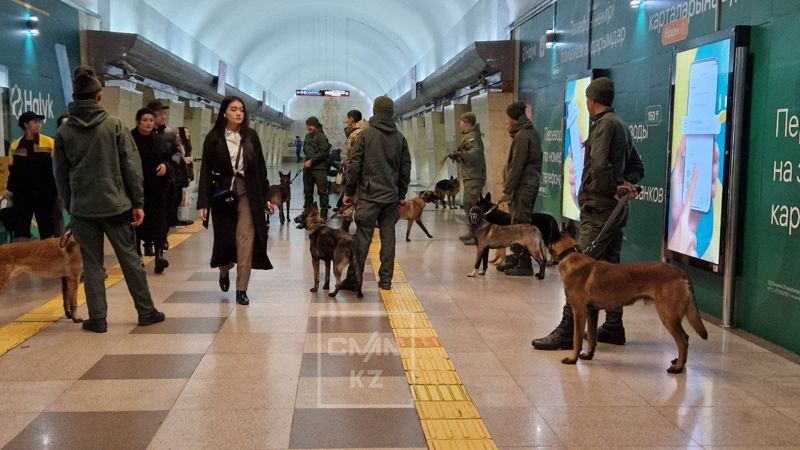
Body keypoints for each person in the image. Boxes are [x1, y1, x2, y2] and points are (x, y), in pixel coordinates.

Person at [533, 77, 644, 350]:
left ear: (591, 100)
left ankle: (566, 330)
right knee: (612, 269)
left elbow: (599, 164)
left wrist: (611, 189)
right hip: (615, 212)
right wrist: (623, 184)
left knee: (578, 270)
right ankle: (614, 326)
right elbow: (637, 166)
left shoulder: (604, 125)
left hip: (599, 210)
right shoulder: (620, 125)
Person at [54, 67, 164, 333]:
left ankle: (98, 318)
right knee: (129, 259)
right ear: (99, 96)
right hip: (116, 205)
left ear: (75, 97)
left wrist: (71, 205)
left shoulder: (65, 132)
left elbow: (60, 174)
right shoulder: (113, 125)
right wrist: (137, 202)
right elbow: (131, 166)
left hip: (83, 208)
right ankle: (146, 311)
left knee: (91, 263)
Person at [197, 96, 273, 306]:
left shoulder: (251, 137)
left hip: (248, 192)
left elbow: (260, 169)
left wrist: (266, 198)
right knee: (225, 240)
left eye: (241, 109)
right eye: (233, 109)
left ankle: (242, 289)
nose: (239, 113)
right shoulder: (214, 138)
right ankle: (224, 269)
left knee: (245, 240)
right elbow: (205, 172)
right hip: (223, 194)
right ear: (224, 113)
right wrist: (203, 203)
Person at [342, 96, 411, 291]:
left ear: (374, 111)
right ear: (391, 113)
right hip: (391, 196)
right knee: (389, 237)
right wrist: (402, 193)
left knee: (362, 238)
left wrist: (349, 191)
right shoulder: (400, 138)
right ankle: (386, 280)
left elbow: (354, 165)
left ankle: (355, 280)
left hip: (369, 195)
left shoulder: (366, 135)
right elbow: (405, 169)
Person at [496, 101, 543, 276]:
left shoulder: (523, 136)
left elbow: (516, 167)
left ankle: (524, 264)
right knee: (516, 223)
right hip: (524, 187)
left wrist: (507, 191)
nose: (506, 122)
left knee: (521, 226)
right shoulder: (529, 132)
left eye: (507, 119)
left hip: (523, 187)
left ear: (514, 119)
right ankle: (516, 259)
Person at [3, 111, 59, 241]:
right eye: (35, 121)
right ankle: (23, 258)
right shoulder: (14, 146)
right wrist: (8, 190)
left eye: (40, 122)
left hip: (45, 195)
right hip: (22, 196)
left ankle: (48, 258)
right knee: (21, 230)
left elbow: (57, 169)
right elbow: (11, 170)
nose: (39, 124)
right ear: (25, 124)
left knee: (47, 229)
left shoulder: (50, 143)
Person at [131, 108, 172, 273]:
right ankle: (137, 255)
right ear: (138, 122)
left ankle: (159, 256)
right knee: (136, 225)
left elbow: (168, 160)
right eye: (144, 120)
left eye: (150, 120)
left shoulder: (159, 140)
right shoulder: (130, 139)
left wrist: (165, 166)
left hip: (157, 189)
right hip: (137, 189)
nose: (148, 123)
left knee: (159, 223)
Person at [146, 100, 186, 230]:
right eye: (159, 114)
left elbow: (180, 152)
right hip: (147, 179)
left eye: (164, 114)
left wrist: (170, 165)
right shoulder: (143, 133)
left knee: (164, 211)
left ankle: (161, 241)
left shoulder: (171, 132)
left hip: (167, 179)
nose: (163, 117)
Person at [448, 112, 486, 245]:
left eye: (461, 121)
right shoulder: (469, 135)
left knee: (471, 205)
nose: (460, 124)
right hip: (470, 175)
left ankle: (477, 235)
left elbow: (475, 154)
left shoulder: (472, 136)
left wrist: (461, 154)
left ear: (467, 123)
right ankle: (473, 232)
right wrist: (458, 156)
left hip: (474, 176)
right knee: (469, 205)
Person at [336, 110, 368, 210]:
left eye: (347, 118)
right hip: (363, 170)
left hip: (356, 171)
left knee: (351, 199)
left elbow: (354, 156)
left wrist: (346, 163)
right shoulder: (366, 130)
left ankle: (347, 219)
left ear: (352, 119)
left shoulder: (355, 134)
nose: (346, 121)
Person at [302, 116, 331, 219]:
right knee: (307, 192)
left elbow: (324, 152)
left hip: (319, 169)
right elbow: (305, 150)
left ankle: (323, 216)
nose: (308, 128)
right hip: (308, 169)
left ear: (315, 126)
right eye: (307, 126)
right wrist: (307, 161)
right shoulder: (307, 136)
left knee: (323, 192)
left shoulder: (321, 137)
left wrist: (312, 160)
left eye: (310, 125)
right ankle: (309, 213)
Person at [177, 127, 195, 225]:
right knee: (184, 197)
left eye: (188, 131)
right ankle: (182, 218)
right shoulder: (180, 145)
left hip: (189, 173)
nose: (188, 134)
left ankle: (184, 216)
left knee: (187, 197)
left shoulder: (187, 146)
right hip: (183, 175)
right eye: (185, 132)